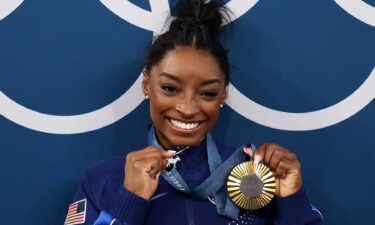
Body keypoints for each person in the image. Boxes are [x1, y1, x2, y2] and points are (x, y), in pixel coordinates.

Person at [64, 1, 323, 224]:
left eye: (207, 93)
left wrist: (292, 201)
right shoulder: (103, 179)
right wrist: (128, 203)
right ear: (146, 85)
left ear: (223, 94)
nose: (187, 108)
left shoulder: (258, 177)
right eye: (170, 88)